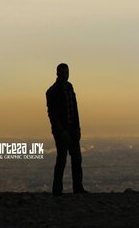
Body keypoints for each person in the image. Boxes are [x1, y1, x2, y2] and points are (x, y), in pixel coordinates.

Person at [46, 63, 87, 195]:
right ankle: (57, 190)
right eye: (62, 72)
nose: (65, 75)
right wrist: (60, 131)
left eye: (66, 72)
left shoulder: (69, 88)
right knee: (62, 159)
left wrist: (78, 128)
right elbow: (52, 114)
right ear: (57, 74)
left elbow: (75, 111)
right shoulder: (53, 91)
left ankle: (78, 188)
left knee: (76, 159)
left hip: (72, 129)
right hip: (61, 131)